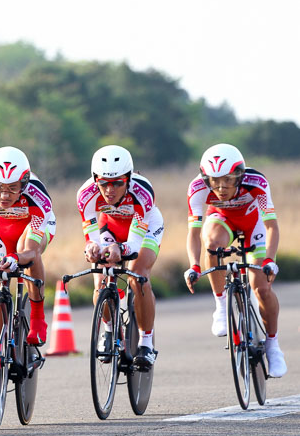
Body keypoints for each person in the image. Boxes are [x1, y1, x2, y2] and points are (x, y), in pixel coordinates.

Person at [184, 143, 286, 377]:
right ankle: (221, 306)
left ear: (240, 175)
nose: (221, 187)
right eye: (215, 180)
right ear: (205, 178)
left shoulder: (256, 182)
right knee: (212, 244)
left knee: (261, 289)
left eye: (228, 180)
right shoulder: (197, 188)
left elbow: (271, 226)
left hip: (254, 223)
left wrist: (270, 260)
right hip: (221, 219)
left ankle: (273, 346)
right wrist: (194, 265)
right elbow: (193, 232)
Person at [77, 145, 163, 371]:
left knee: (139, 276)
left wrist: (119, 249)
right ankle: (109, 329)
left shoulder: (143, 191)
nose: (109, 189)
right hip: (111, 226)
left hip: (144, 228)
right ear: (95, 179)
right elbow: (91, 236)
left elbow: (133, 245)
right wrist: (92, 247)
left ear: (129, 178)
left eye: (117, 183)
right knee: (101, 279)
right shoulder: (85, 194)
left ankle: (146, 343)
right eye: (104, 183)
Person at [0, 146, 55, 352]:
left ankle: (37, 318)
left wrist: (16, 257)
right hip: (1, 227)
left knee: (27, 248)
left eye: (13, 188)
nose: (5, 195)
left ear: (24, 184)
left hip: (32, 226)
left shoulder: (39, 197)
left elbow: (31, 252)